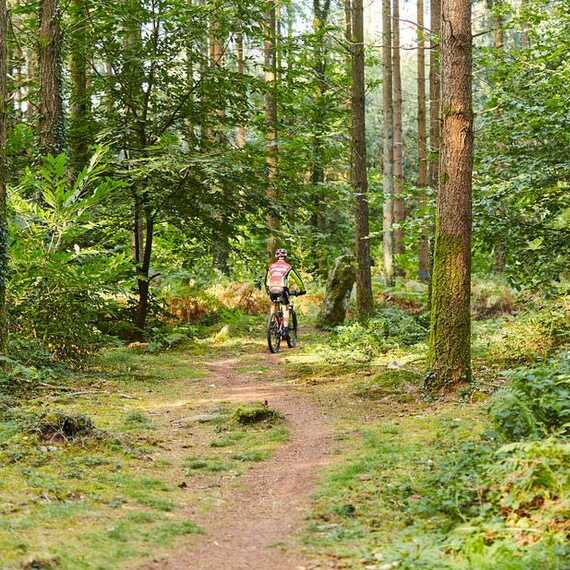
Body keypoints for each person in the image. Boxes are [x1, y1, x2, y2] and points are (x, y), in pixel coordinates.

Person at [265, 249, 306, 339]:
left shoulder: (271, 267)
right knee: (285, 307)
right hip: (282, 289)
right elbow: (298, 280)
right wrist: (302, 290)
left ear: (276, 257)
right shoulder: (288, 267)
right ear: (285, 257)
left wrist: (268, 290)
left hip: (271, 289)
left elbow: (267, 280)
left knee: (273, 303)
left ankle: (272, 322)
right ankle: (285, 329)